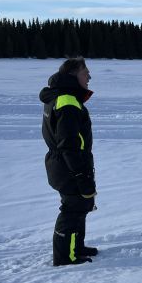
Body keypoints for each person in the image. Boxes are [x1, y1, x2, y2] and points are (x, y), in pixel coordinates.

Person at [40, 57, 98, 266]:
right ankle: (65, 257)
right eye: (85, 72)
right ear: (74, 75)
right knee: (72, 208)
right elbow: (69, 144)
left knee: (80, 206)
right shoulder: (67, 102)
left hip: (63, 163)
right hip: (68, 166)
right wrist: (81, 174)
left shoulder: (62, 97)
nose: (89, 77)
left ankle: (76, 246)